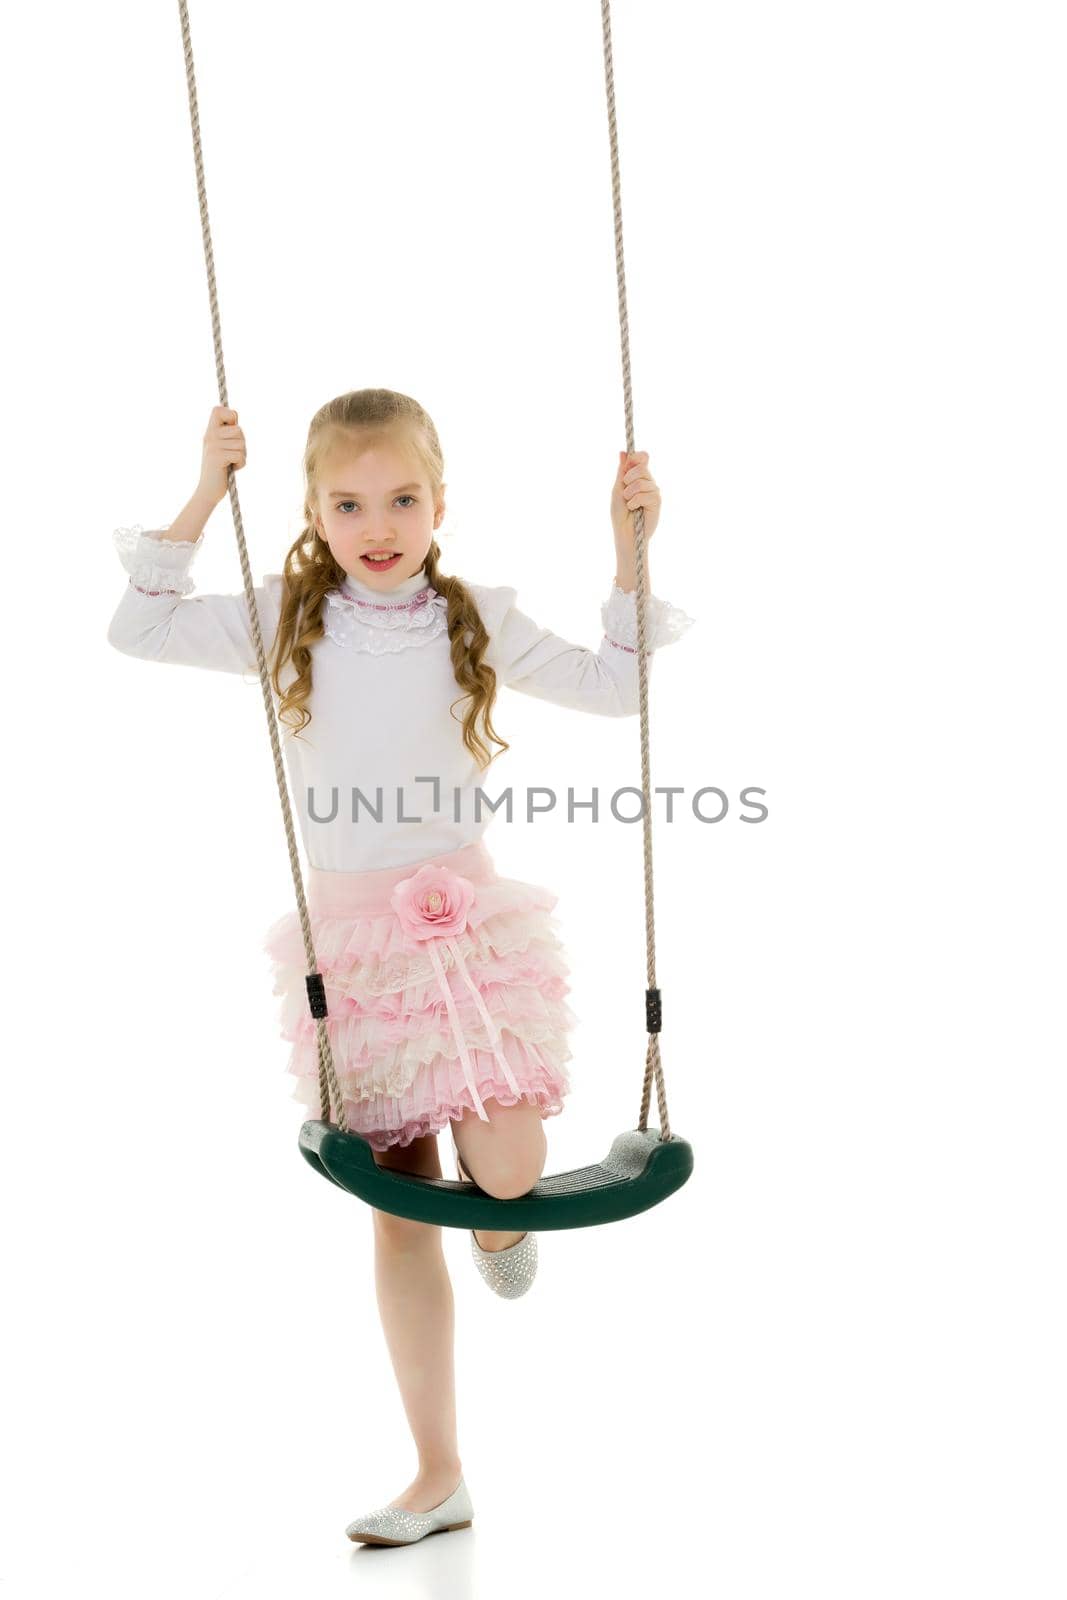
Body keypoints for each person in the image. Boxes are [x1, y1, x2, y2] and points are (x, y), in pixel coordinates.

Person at [106, 387, 695, 1541]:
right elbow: (138, 629)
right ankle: (437, 1473)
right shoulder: (286, 616)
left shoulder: (472, 613)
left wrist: (626, 551)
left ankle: (503, 1219)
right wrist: (202, 490)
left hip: (468, 928)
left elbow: (618, 686)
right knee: (393, 1207)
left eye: (402, 498)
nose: (377, 524)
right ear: (313, 512)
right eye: (347, 502)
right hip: (355, 948)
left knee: (509, 1169)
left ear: (438, 501)